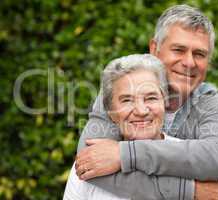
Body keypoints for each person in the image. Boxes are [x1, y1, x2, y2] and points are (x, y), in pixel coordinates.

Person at [75, 4, 218, 200]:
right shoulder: (122, 88)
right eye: (179, 50)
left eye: (199, 54)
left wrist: (125, 154)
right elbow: (88, 164)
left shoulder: (210, 102)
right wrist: (189, 191)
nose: (189, 62)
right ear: (154, 49)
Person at [64, 54, 184, 200]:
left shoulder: (192, 159)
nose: (141, 111)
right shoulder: (90, 162)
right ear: (111, 114)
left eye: (151, 98)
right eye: (127, 100)